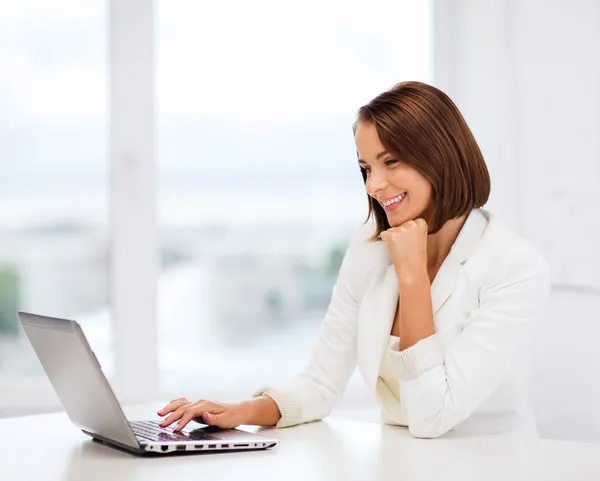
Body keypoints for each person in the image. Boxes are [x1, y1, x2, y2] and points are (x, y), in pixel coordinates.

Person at [158, 81, 551, 439]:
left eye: (391, 161)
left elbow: (431, 417)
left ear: (441, 156)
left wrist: (413, 278)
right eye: (366, 168)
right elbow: (321, 383)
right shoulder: (370, 246)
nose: (373, 185)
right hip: (401, 465)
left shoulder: (513, 267)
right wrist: (238, 411)